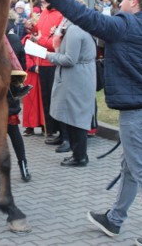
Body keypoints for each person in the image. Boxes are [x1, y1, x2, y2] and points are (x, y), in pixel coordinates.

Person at [44, 0, 142, 246]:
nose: (120, 3)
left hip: (139, 113)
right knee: (131, 168)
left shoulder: (125, 25)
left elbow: (86, 17)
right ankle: (114, 220)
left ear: (135, 2)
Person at [0, 22, 31, 183]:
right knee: (13, 131)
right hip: (10, 92)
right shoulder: (15, 39)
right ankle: (24, 167)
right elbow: (21, 67)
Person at [46, 11, 96, 168]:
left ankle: (80, 156)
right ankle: (78, 154)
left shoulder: (75, 29)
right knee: (75, 116)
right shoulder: (79, 27)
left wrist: (47, 55)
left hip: (76, 77)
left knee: (76, 118)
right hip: (80, 75)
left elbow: (69, 59)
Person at [29, 0, 64, 144]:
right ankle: (50, 129)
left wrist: (39, 40)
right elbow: (40, 31)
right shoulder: (44, 13)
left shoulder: (60, 15)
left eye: (46, 0)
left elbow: (56, 43)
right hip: (42, 61)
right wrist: (32, 27)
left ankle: (59, 130)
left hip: (53, 62)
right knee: (46, 99)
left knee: (55, 99)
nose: (43, 2)